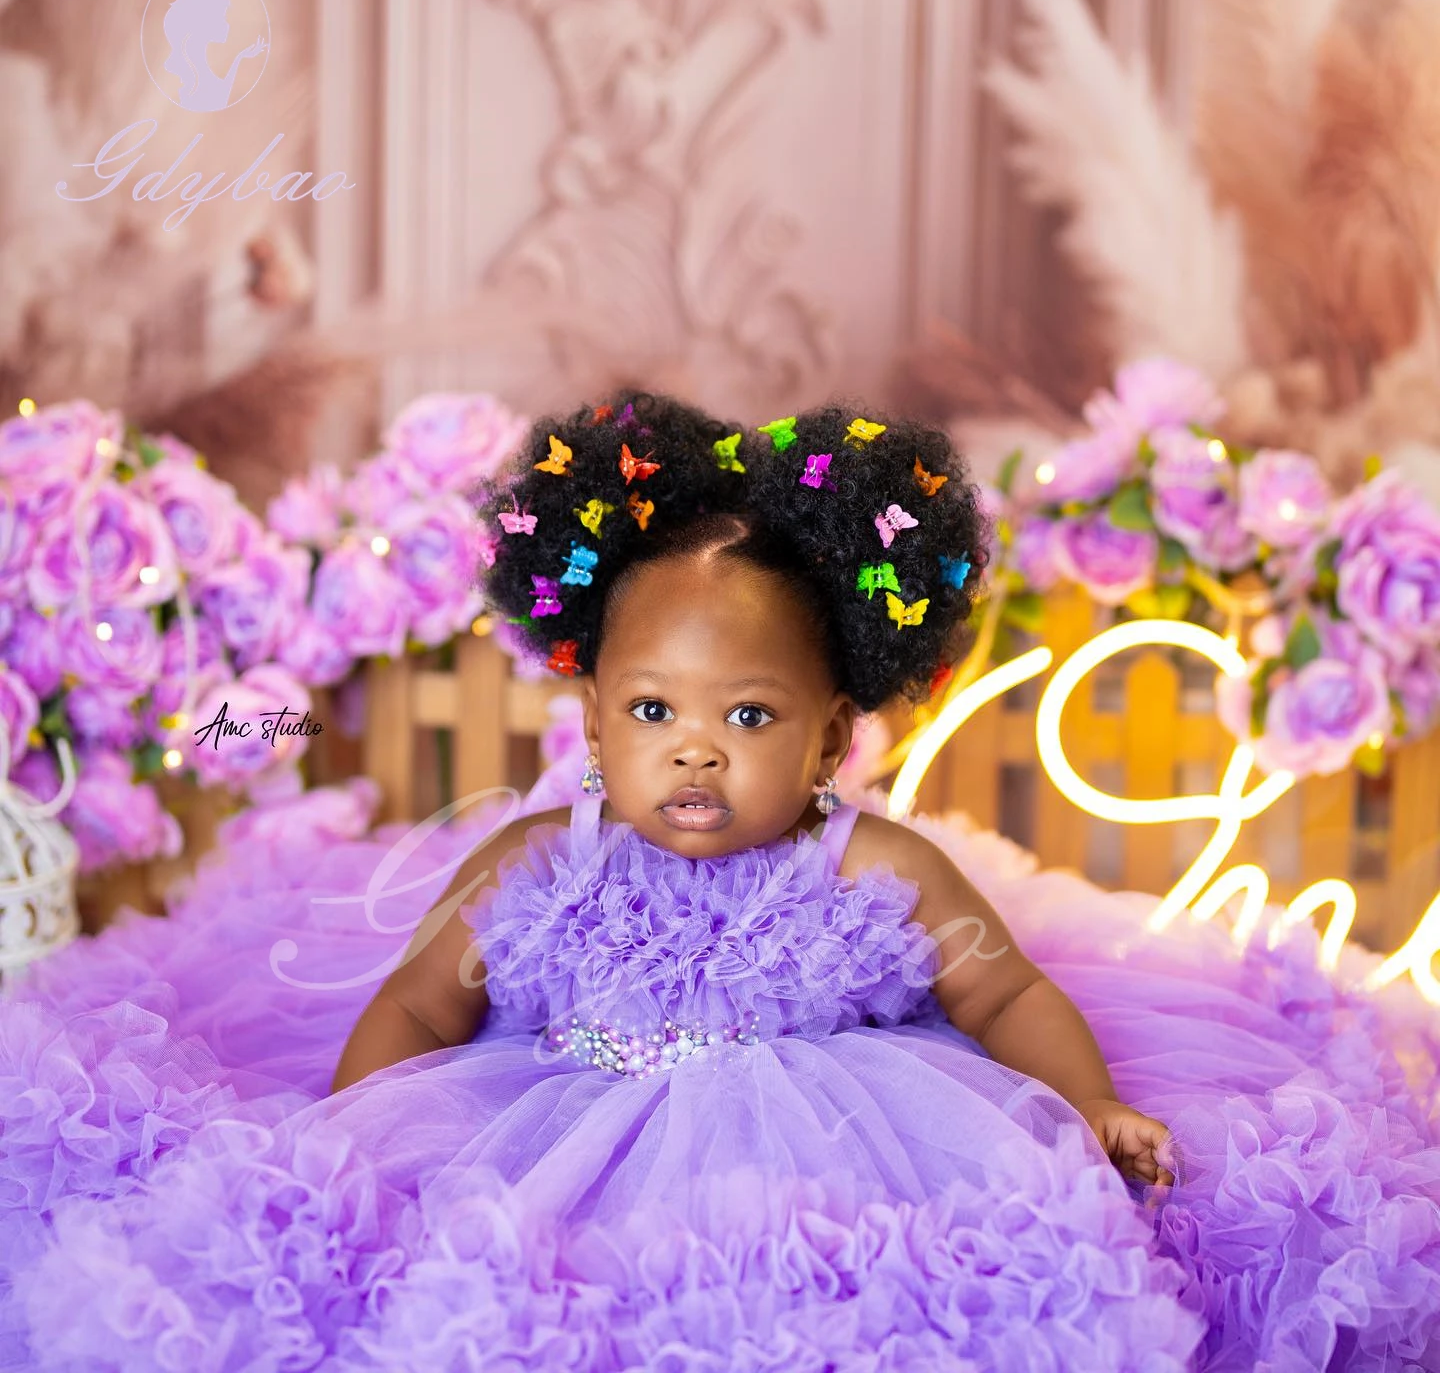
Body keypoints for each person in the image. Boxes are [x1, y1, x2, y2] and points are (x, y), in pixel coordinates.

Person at [2, 391, 1437, 1371]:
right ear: (591, 718)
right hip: (545, 1147)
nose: (696, 754)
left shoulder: (872, 861)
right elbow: (421, 1006)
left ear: (833, 730)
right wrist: (361, 1141)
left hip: (831, 1155)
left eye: (748, 719)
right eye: (652, 715)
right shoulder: (536, 859)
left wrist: (1094, 1101)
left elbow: (1005, 990)